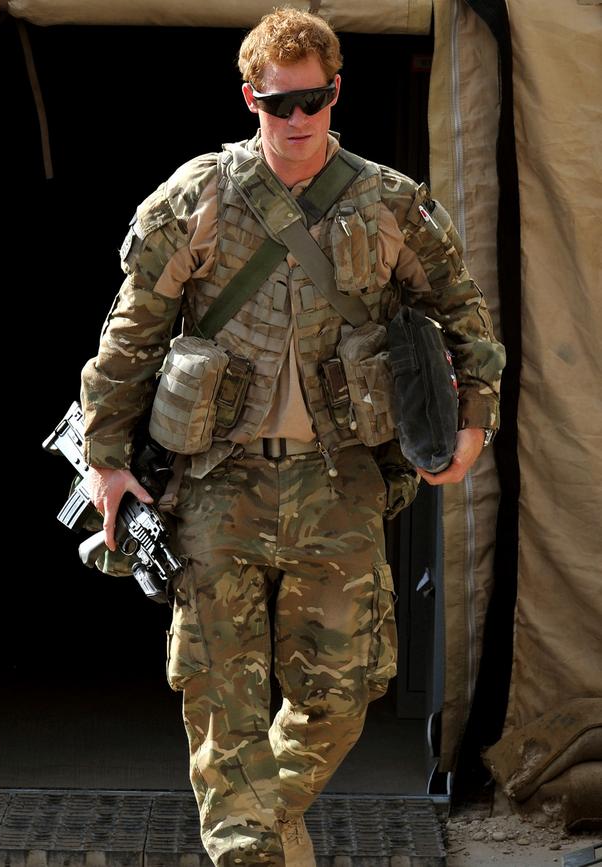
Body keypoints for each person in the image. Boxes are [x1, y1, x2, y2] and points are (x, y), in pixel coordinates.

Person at [80, 8, 505, 866]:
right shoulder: (198, 198)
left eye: (313, 100)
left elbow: (463, 315)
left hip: (337, 483)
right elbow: (131, 334)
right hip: (216, 490)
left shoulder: (389, 206)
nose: (298, 119)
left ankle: (253, 830)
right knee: (219, 703)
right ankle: (253, 851)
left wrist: (475, 422)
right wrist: (107, 460)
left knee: (342, 695)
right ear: (251, 100)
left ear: (336, 92)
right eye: (280, 104)